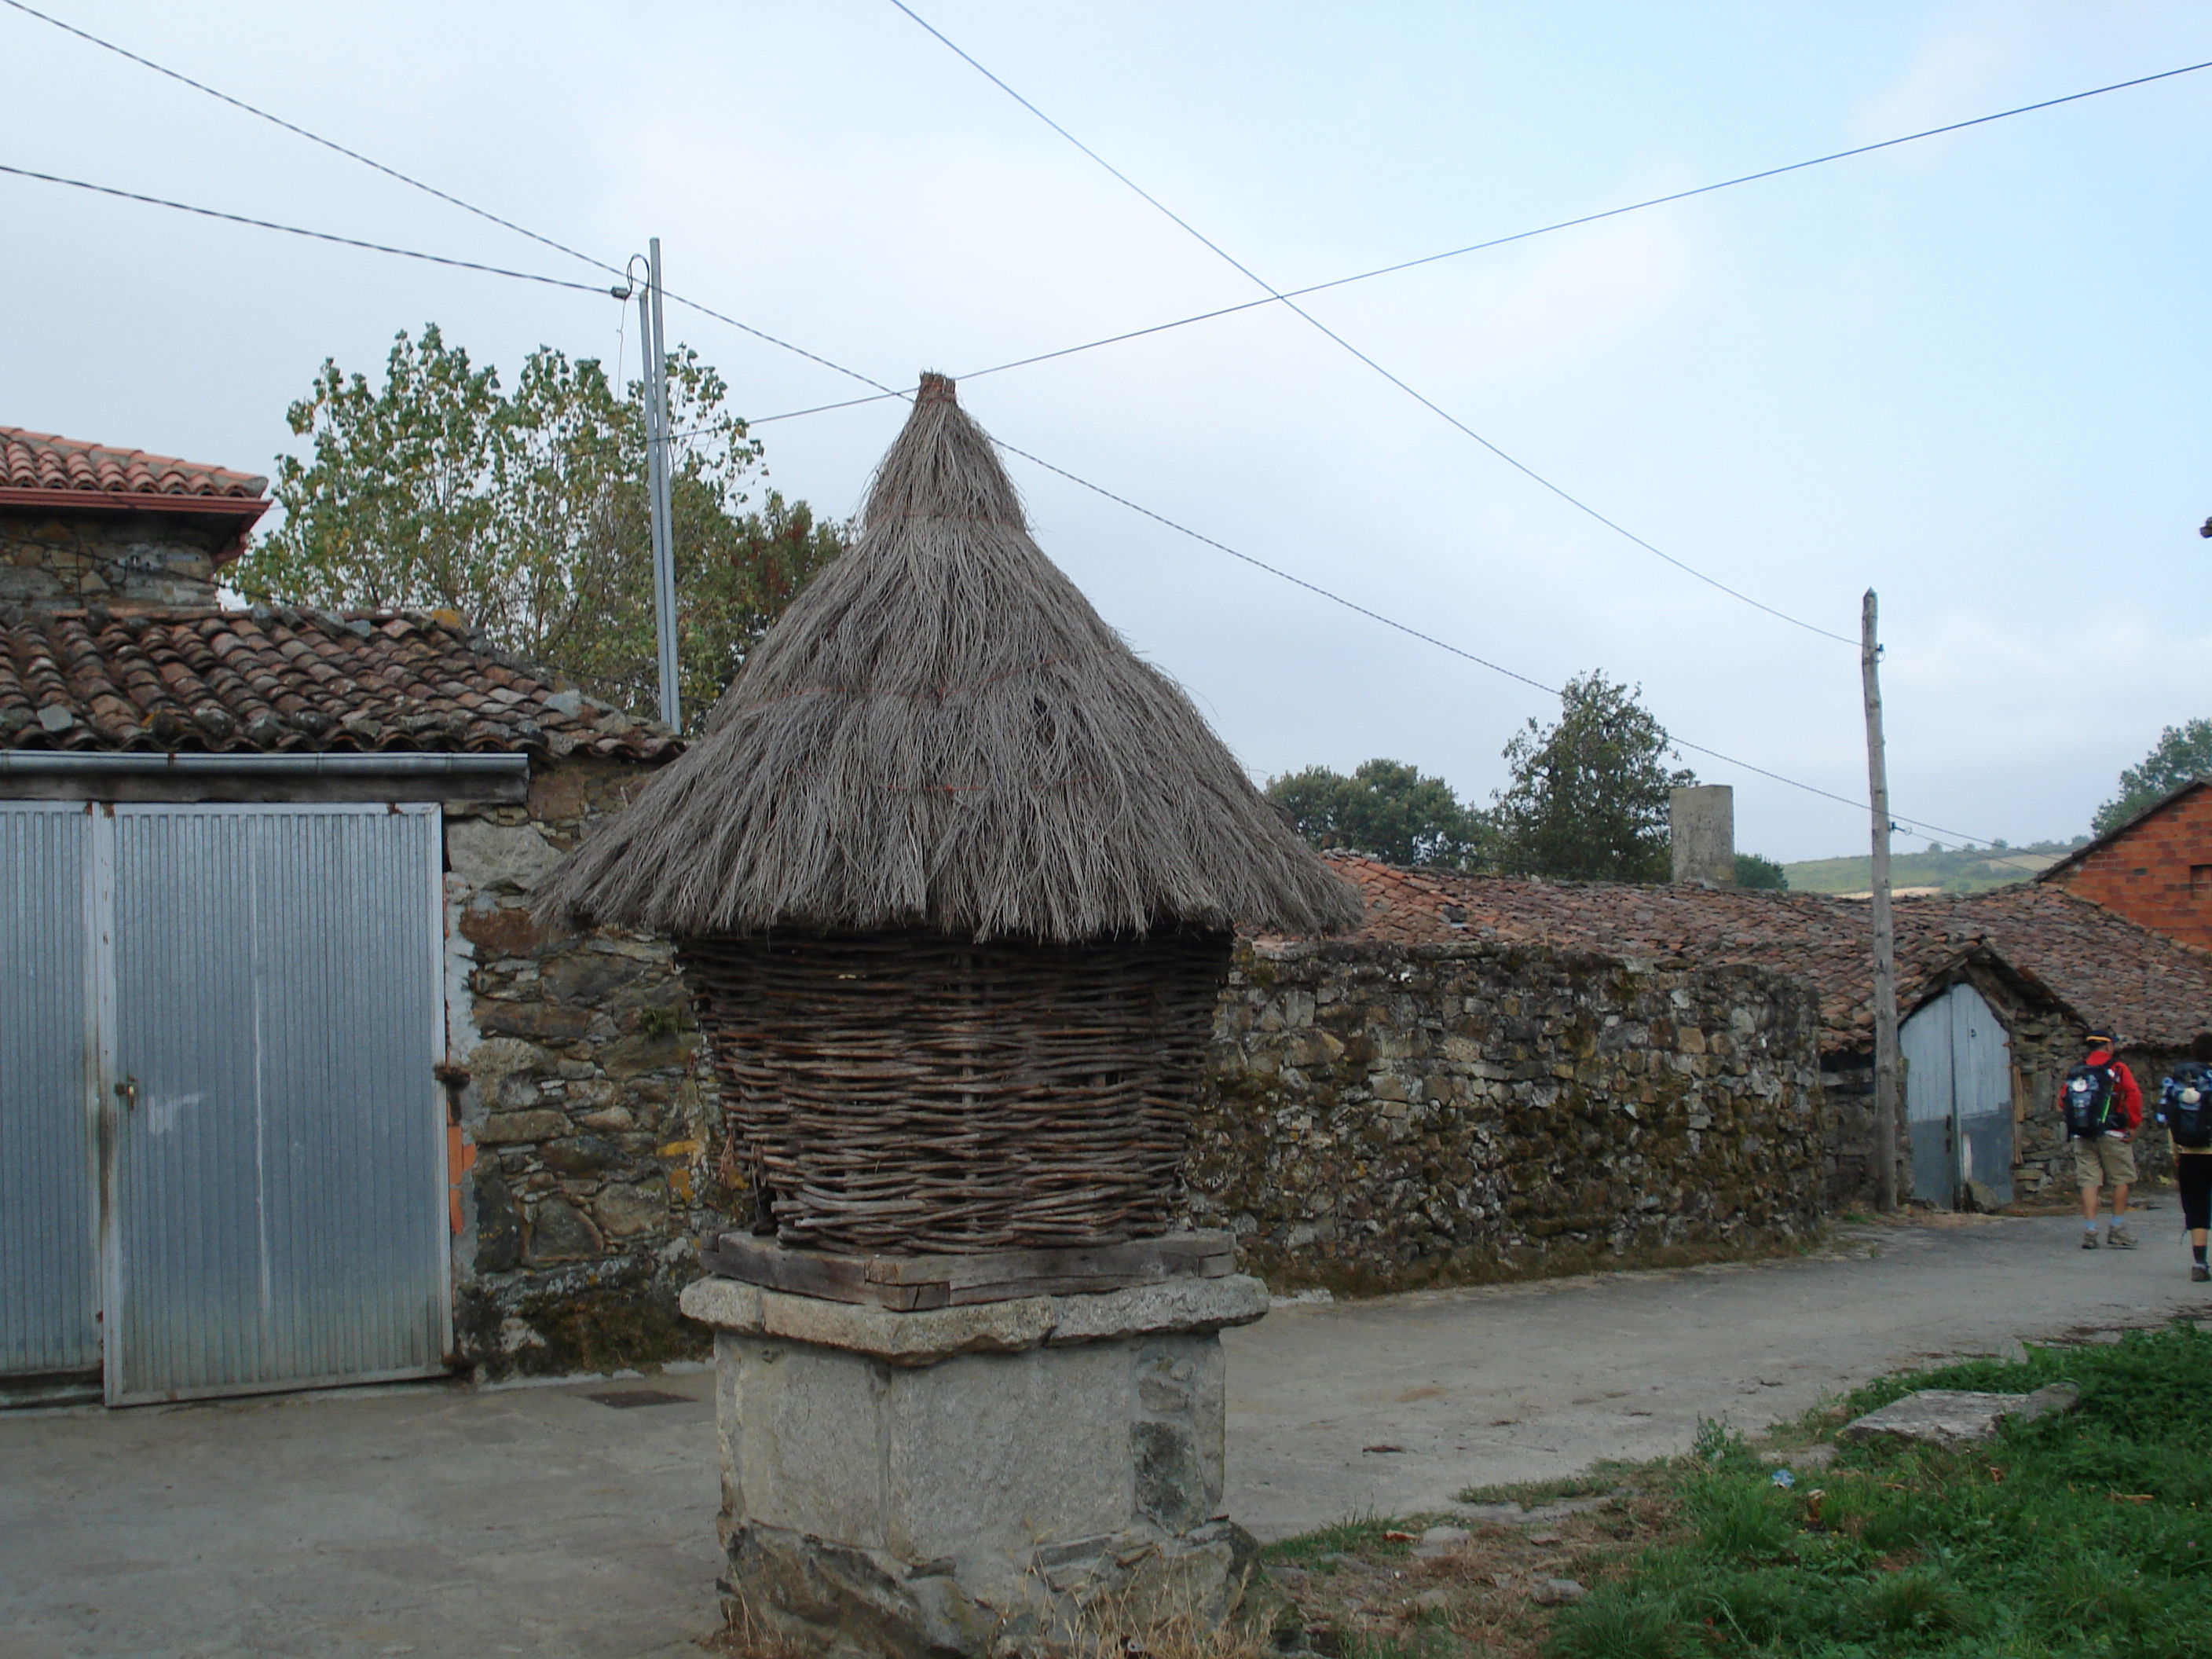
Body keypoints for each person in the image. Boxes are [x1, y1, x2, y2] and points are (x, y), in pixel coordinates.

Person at [2060, 1027, 2141, 1249]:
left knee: (2089, 1181)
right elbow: (2133, 1094)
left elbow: (2062, 1101)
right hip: (2113, 1132)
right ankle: (2116, 1228)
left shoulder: (2077, 1070)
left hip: (2083, 1133)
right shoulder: (2117, 1067)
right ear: (2108, 1045)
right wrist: (2132, 1125)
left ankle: (2090, 1231)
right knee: (2121, 1178)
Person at [2155, 1032, 2212, 1283]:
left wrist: (2176, 1152)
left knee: (2196, 1207)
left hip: (2189, 1153)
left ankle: (2200, 1263)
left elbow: (2169, 1118)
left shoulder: (2179, 1081)